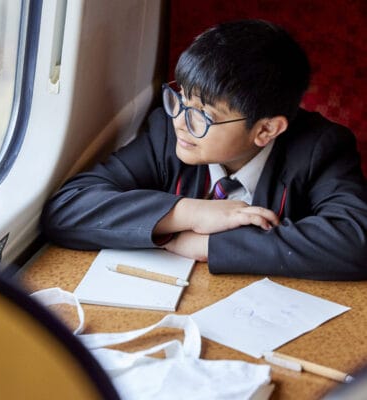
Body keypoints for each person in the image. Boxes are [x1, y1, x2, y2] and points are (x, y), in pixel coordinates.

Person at [40, 19, 367, 280]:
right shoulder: (168, 134)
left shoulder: (319, 149)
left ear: (266, 129)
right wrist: (189, 213)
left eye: (203, 115)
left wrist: (208, 245)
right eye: (181, 98)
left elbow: (355, 241)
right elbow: (68, 207)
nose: (181, 121)